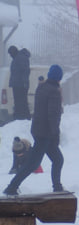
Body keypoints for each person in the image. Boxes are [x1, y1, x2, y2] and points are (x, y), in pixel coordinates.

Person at [4, 64, 65, 196]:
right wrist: (55, 133)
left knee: (58, 159)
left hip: (39, 130)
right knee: (33, 163)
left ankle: (57, 187)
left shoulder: (41, 87)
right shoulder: (54, 91)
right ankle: (11, 187)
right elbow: (53, 115)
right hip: (46, 133)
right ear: (59, 78)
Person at [7, 46, 31, 120]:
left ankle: (22, 118)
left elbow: (25, 71)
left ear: (13, 52)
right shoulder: (18, 58)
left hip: (20, 84)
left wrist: (25, 83)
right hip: (18, 83)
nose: (10, 55)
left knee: (21, 102)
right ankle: (20, 117)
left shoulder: (20, 58)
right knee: (20, 102)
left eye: (10, 53)